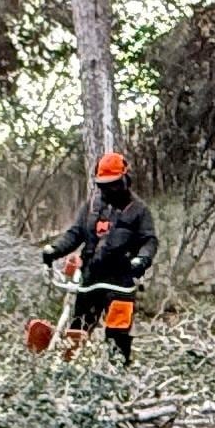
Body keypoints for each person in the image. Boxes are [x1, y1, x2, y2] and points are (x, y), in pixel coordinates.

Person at [43, 149, 158, 365]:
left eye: (114, 183)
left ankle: (117, 378)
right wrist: (54, 249)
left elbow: (149, 241)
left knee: (117, 337)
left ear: (125, 180)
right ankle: (67, 373)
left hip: (121, 283)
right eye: (104, 185)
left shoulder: (139, 211)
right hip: (90, 280)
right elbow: (75, 234)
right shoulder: (92, 208)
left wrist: (143, 259)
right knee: (77, 332)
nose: (109, 189)